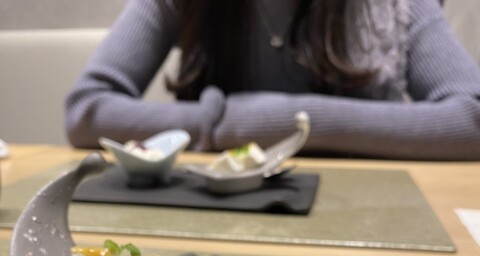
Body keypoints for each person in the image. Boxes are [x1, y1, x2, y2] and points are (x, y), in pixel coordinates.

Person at [65, 0, 480, 160]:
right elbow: (86, 110)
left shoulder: (397, 6)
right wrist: (224, 124)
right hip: (217, 218)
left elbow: (471, 117)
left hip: (373, 219)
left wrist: (283, 121)